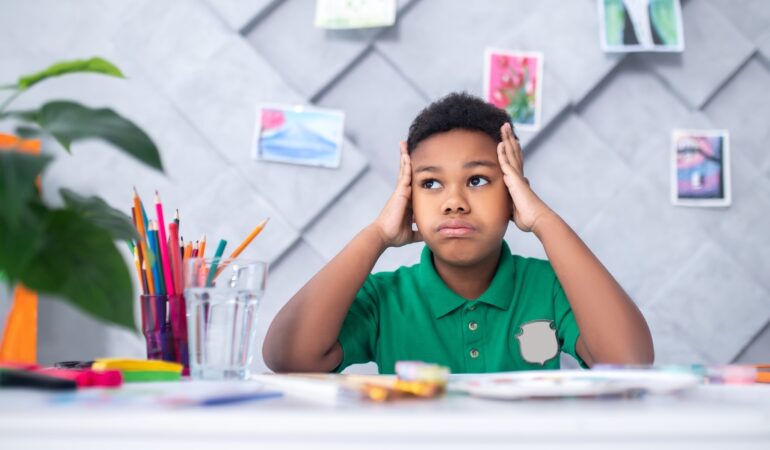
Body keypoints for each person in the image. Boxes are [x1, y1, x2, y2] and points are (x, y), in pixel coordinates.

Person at [263, 92, 654, 374]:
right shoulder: (384, 298)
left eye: (479, 180)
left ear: (514, 194)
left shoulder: (549, 289)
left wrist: (544, 220)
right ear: (409, 199)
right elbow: (287, 356)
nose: (454, 202)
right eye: (431, 184)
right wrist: (377, 234)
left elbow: (629, 361)